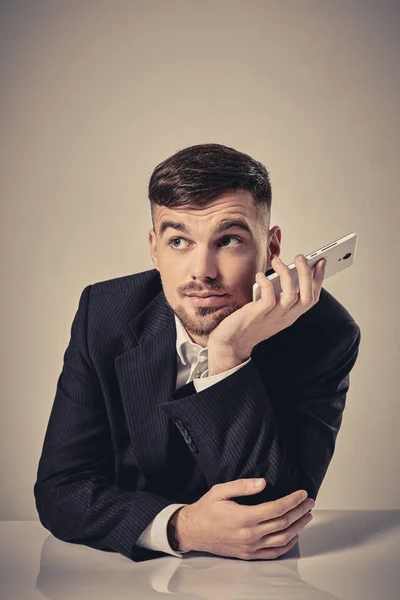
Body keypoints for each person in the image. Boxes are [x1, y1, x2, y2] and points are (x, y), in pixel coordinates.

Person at [34, 143, 361, 563]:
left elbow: (271, 522)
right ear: (154, 247)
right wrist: (180, 527)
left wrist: (229, 353)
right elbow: (60, 489)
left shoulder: (324, 335)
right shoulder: (104, 315)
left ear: (272, 247)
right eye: (178, 241)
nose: (202, 271)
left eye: (228, 240)